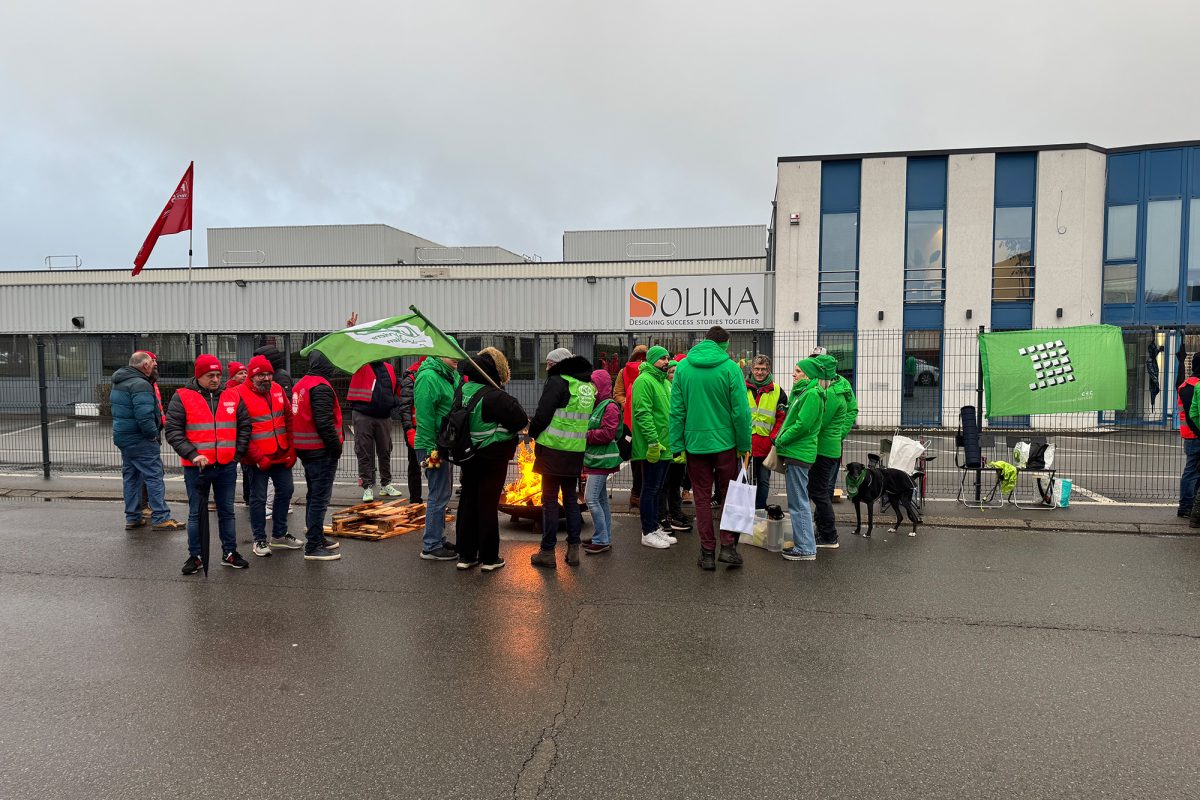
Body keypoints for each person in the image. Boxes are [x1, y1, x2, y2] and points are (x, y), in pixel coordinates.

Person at [669, 326, 752, 571]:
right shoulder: (730, 369)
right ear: (724, 345)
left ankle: (707, 552)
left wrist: (677, 444)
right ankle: (728, 547)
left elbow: (677, 411)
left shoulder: (683, 367)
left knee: (702, 498)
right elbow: (741, 412)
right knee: (728, 495)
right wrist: (744, 445)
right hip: (726, 444)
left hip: (695, 445)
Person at [165, 354, 251, 574]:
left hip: (226, 465)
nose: (215, 379)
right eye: (209, 375)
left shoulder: (232, 395)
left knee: (227, 511)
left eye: (218, 375)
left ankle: (229, 552)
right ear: (198, 376)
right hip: (197, 468)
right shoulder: (182, 397)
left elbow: (244, 426)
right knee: (196, 513)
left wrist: (236, 455)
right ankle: (196, 556)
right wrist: (193, 454)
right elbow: (173, 431)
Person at [454, 349, 528, 572]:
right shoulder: (495, 396)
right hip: (492, 457)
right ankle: (489, 557)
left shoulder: (461, 390)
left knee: (467, 501)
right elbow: (520, 420)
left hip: (467, 454)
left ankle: (466, 555)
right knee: (487, 504)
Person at [529, 348, 596, 569]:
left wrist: (532, 432)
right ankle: (573, 550)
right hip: (575, 451)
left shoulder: (558, 382)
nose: (547, 368)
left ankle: (547, 551)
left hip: (552, 450)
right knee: (570, 501)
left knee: (549, 502)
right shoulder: (587, 387)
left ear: (559, 363)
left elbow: (543, 413)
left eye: (549, 363)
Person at [237, 355, 301, 557]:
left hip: (280, 453)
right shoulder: (238, 394)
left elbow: (289, 419)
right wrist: (257, 456)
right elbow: (239, 431)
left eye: (269, 374)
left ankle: (279, 535)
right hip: (256, 459)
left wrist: (292, 449)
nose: (266, 378)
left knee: (286, 490)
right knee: (258, 498)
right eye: (261, 375)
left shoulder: (278, 390)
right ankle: (259, 539)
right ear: (251, 376)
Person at [111, 351, 182, 531]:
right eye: (152, 363)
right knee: (154, 476)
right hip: (141, 439)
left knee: (131, 477)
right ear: (145, 366)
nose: (154, 365)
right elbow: (144, 416)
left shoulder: (120, 382)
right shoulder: (141, 384)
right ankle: (161, 517)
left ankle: (133, 516)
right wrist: (153, 434)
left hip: (125, 438)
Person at [291, 350, 344, 561]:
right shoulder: (320, 387)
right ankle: (313, 546)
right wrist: (335, 448)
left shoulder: (302, 384)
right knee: (319, 499)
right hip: (320, 450)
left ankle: (317, 537)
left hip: (306, 448)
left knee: (314, 495)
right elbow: (324, 422)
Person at [775, 356, 828, 562]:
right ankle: (804, 543)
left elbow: (802, 425)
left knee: (799, 503)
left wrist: (781, 439)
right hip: (796, 452)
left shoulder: (812, 394)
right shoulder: (804, 393)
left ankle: (805, 547)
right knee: (798, 501)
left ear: (808, 374)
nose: (793, 374)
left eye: (797, 371)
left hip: (798, 452)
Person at [414, 349, 461, 561]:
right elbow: (424, 418)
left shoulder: (448, 376)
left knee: (443, 493)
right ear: (440, 354)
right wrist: (434, 451)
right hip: (432, 447)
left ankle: (437, 538)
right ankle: (431, 545)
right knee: (437, 494)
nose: (457, 360)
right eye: (452, 355)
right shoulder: (428, 378)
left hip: (443, 446)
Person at [811, 354, 857, 548]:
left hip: (824, 447)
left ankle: (827, 533)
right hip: (827, 446)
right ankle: (821, 526)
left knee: (822, 491)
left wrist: (839, 433)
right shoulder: (824, 385)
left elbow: (851, 411)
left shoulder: (835, 389)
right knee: (821, 490)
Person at [631, 346, 674, 549]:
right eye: (662, 358)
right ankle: (647, 531)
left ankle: (655, 526)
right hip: (654, 446)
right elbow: (643, 413)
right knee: (650, 489)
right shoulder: (644, 381)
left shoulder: (663, 382)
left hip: (666, 446)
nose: (666, 361)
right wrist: (653, 442)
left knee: (657, 489)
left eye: (667, 358)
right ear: (652, 360)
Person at [347, 358, 400, 501]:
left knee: (385, 450)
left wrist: (393, 401)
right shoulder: (360, 365)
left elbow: (393, 388)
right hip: (363, 414)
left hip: (383, 416)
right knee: (364, 451)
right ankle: (367, 486)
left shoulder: (388, 368)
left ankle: (385, 484)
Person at [582, 367, 621, 555]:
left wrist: (585, 435)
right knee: (601, 499)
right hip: (597, 461)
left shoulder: (610, 406)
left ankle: (601, 539)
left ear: (602, 385)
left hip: (601, 462)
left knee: (591, 498)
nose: (592, 388)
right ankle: (603, 536)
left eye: (594, 384)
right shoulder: (598, 405)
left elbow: (608, 433)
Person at [746, 354, 788, 510]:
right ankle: (744, 508)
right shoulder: (742, 387)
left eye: (763, 369)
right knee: (743, 480)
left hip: (766, 445)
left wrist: (773, 437)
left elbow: (781, 418)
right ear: (752, 369)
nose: (759, 372)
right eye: (757, 369)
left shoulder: (777, 391)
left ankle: (760, 509)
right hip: (746, 442)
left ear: (768, 370)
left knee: (763, 480)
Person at [656, 358, 691, 535]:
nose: (674, 375)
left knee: (676, 482)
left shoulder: (682, 390)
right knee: (664, 483)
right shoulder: (663, 388)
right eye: (671, 372)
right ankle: (664, 515)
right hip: (668, 444)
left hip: (680, 445)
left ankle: (675, 512)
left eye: (677, 372)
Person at [614, 344, 648, 510]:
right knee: (636, 459)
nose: (641, 359)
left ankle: (640, 494)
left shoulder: (650, 372)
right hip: (629, 421)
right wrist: (626, 403)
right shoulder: (624, 372)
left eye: (644, 356)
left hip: (647, 418)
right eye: (638, 356)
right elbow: (618, 392)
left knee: (645, 459)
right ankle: (635, 494)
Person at [397, 357, 425, 504]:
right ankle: (415, 500)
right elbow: (405, 407)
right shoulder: (411, 379)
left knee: (434, 465)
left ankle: (434, 501)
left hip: (424, 428)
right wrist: (409, 430)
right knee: (415, 465)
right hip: (415, 429)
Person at [1179, 353, 1200, 520]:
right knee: (1192, 471)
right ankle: (1187, 506)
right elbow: (1191, 414)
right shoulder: (1193, 386)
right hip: (1195, 435)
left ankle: (1190, 506)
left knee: (1193, 471)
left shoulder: (1188, 384)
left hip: (1191, 435)